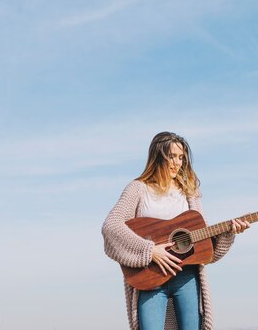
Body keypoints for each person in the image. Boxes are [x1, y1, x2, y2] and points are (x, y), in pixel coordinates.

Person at [102, 131, 250, 330]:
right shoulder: (138, 189)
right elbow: (111, 226)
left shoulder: (190, 193)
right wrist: (150, 251)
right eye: (171, 156)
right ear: (157, 156)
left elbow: (204, 247)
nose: (177, 162)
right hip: (152, 277)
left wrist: (228, 233)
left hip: (186, 277)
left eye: (181, 157)